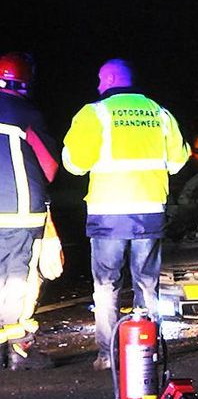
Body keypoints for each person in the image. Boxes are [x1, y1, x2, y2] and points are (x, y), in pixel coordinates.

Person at [62, 59, 190, 370]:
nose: (97, 86)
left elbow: (74, 164)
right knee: (147, 283)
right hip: (149, 211)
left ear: (108, 80)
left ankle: (108, 355)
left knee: (106, 285)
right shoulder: (160, 114)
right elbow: (178, 160)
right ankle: (147, 349)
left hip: (109, 212)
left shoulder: (94, 113)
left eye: (99, 80)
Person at [0, 52, 64, 370]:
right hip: (19, 210)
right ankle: (19, 349)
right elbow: (49, 167)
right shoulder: (25, 112)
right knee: (19, 280)